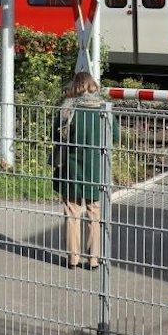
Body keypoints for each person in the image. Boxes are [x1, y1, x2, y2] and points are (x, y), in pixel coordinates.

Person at [51, 71, 114, 269]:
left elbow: (55, 135)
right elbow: (116, 135)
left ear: (75, 87)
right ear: (93, 86)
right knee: (94, 213)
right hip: (96, 168)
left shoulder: (67, 109)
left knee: (72, 212)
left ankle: (73, 259)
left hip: (71, 169)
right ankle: (94, 260)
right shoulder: (104, 109)